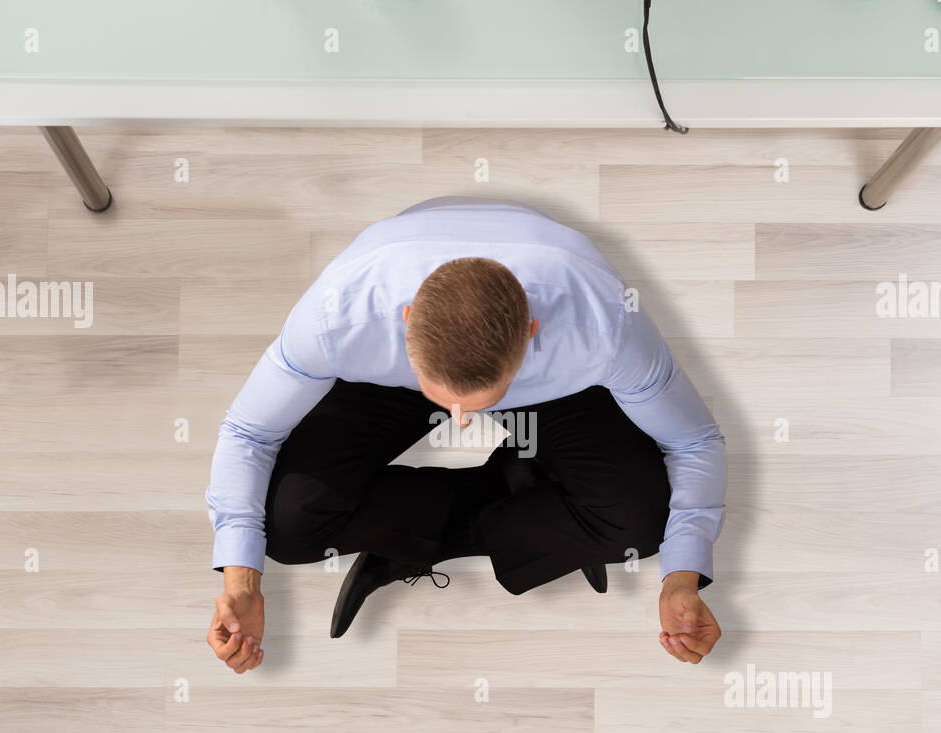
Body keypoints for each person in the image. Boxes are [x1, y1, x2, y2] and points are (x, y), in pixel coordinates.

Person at [204, 196, 727, 672]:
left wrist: (681, 578)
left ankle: (413, 535)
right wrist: (242, 583)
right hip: (389, 376)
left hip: (553, 382)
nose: (459, 422)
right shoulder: (337, 317)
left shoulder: (605, 329)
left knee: (639, 523)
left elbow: (695, 441)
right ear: (407, 320)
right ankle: (514, 490)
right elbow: (249, 433)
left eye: (478, 406)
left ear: (530, 334)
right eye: (446, 402)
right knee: (286, 526)